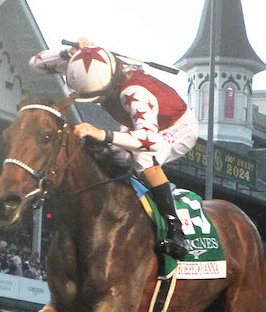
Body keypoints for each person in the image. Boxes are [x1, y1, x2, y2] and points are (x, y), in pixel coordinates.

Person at [28, 38, 198, 259]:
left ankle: (176, 230)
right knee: (106, 155)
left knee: (143, 160)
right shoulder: (90, 65)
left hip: (176, 127)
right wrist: (68, 52)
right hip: (135, 125)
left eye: (98, 99)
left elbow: (150, 141)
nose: (97, 103)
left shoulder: (134, 93)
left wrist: (102, 134)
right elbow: (35, 64)